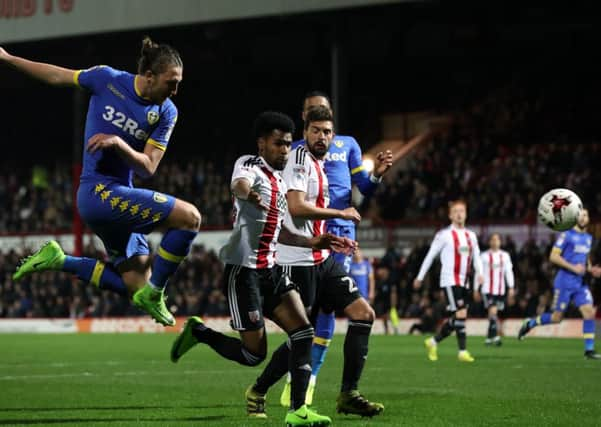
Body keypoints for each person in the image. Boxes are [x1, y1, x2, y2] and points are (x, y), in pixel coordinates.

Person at [170, 112, 350, 426]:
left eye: (286, 144)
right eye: (278, 143)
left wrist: (313, 242)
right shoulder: (249, 165)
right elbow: (239, 185)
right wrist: (246, 192)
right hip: (243, 273)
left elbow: (280, 230)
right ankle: (199, 332)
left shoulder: (281, 181)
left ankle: (298, 411)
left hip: (272, 270)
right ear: (262, 143)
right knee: (255, 355)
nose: (284, 150)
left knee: (303, 332)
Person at [5, 38, 200, 327]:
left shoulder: (166, 112)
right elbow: (57, 75)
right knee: (190, 218)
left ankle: (60, 260)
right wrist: (8, 58)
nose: (175, 90)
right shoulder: (107, 79)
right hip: (97, 194)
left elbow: (148, 167)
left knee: (136, 286)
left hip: (121, 196)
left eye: (178, 84)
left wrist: (119, 144)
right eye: (171, 82)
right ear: (149, 76)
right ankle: (157, 293)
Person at [247, 106, 384, 418]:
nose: (322, 137)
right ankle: (259, 388)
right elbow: (296, 208)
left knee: (363, 315)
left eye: (327, 132)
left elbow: (309, 216)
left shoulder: (319, 164)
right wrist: (341, 214)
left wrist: (334, 238)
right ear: (305, 132)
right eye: (316, 131)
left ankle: (349, 393)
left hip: (322, 258)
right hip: (296, 264)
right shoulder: (297, 159)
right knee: (302, 335)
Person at [281, 90, 393, 406]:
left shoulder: (348, 145)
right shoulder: (295, 150)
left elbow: (364, 189)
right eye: (311, 110)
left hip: (341, 230)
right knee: (307, 310)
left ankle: (308, 380)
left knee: (329, 306)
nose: (317, 112)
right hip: (309, 231)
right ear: (304, 118)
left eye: (323, 109)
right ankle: (285, 379)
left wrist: (377, 176)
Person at [518, 209, 601, 359]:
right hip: (565, 282)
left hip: (580, 283)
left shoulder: (588, 238)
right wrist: (573, 267)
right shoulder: (566, 235)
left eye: (586, 215)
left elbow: (585, 259)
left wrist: (591, 269)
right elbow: (553, 256)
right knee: (557, 318)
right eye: (581, 215)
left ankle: (589, 350)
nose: (583, 218)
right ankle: (530, 323)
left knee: (589, 312)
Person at [413, 200, 483, 362]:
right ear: (450, 215)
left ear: (466, 214)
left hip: (465, 281)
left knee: (459, 316)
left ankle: (433, 341)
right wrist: (419, 277)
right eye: (456, 211)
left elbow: (477, 257)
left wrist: (480, 274)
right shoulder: (443, 235)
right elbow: (430, 256)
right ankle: (462, 352)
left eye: (462, 211)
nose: (459, 214)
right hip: (450, 280)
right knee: (460, 313)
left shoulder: (471, 236)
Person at [475, 233, 515, 346]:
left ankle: (489, 338)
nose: (494, 241)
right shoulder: (484, 256)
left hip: (500, 290)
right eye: (492, 239)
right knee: (493, 311)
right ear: (489, 242)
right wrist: (475, 289)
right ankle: (496, 337)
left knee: (493, 313)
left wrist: (511, 287)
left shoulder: (505, 256)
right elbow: (479, 274)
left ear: (500, 242)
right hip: (487, 289)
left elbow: (509, 272)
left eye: (497, 239)